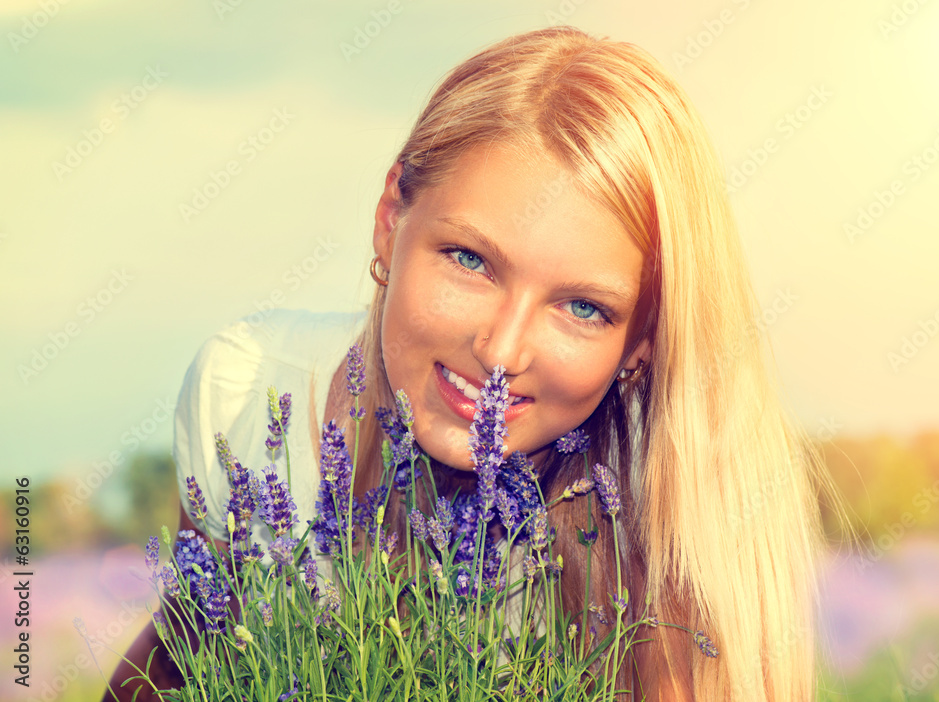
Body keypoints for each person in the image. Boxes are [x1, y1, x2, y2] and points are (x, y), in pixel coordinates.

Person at [106, 25, 829, 701]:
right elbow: (189, 646)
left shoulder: (673, 533)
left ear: (642, 339)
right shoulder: (246, 387)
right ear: (391, 220)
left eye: (583, 307)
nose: (502, 352)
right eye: (471, 260)